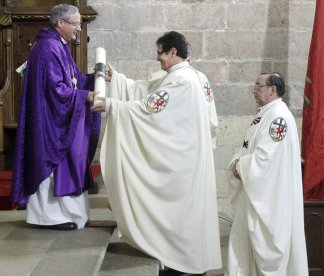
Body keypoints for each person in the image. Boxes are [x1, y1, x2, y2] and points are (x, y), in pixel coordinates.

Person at [92, 31, 221, 275]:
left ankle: (182, 263)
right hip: (191, 154)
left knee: (179, 213)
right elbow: (152, 91)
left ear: (173, 52)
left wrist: (109, 104)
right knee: (188, 212)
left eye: (160, 53)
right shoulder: (196, 76)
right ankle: (189, 260)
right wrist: (118, 79)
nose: (158, 58)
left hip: (180, 161)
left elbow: (148, 109)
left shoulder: (181, 80)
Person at [11, 4, 101, 231]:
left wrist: (95, 79)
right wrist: (84, 96)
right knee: (52, 166)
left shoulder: (58, 46)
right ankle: (49, 217)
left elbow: (74, 80)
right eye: (76, 23)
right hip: (50, 123)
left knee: (66, 165)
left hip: (57, 119)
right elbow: (55, 90)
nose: (79, 29)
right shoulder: (48, 48)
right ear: (60, 23)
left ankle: (63, 214)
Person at [226, 73, 308, 275]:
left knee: (266, 248)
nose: (254, 90)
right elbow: (250, 148)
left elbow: (265, 159)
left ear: (273, 90)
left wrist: (240, 167)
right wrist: (238, 162)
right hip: (255, 192)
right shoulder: (266, 113)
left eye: (258, 85)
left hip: (270, 199)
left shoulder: (278, 117)